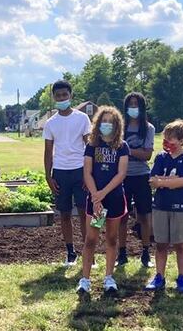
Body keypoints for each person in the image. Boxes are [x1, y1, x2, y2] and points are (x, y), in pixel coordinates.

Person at [77, 106, 129, 295]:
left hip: (113, 199)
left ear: (116, 125)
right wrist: (96, 197)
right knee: (91, 239)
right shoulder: (92, 145)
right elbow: (87, 173)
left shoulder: (122, 146)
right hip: (96, 201)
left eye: (111, 122)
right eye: (104, 121)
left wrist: (103, 193)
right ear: (98, 123)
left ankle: (109, 278)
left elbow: (121, 173)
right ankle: (85, 280)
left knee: (112, 238)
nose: (107, 125)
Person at [43, 80, 92, 266]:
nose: (62, 98)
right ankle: (70, 252)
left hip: (80, 170)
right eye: (58, 95)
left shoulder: (82, 118)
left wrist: (90, 174)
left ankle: (89, 252)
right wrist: (48, 176)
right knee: (64, 214)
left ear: (70, 95)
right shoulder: (50, 123)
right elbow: (48, 151)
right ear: (54, 97)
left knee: (83, 213)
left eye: (65, 95)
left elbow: (89, 146)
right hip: (60, 172)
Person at [145, 120, 183, 293]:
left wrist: (163, 182)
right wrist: (165, 182)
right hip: (160, 206)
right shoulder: (160, 157)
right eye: (165, 137)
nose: (166, 141)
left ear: (181, 140)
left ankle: (182, 277)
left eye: (170, 138)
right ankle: (159, 276)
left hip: (180, 208)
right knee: (161, 244)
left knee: (181, 244)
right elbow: (152, 180)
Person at [117, 92, 155, 268]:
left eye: (136, 104)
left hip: (141, 176)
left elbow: (147, 155)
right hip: (121, 176)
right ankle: (122, 253)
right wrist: (133, 152)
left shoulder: (148, 128)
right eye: (130, 104)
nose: (133, 108)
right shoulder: (120, 128)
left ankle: (146, 252)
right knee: (122, 216)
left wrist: (127, 151)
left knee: (144, 216)